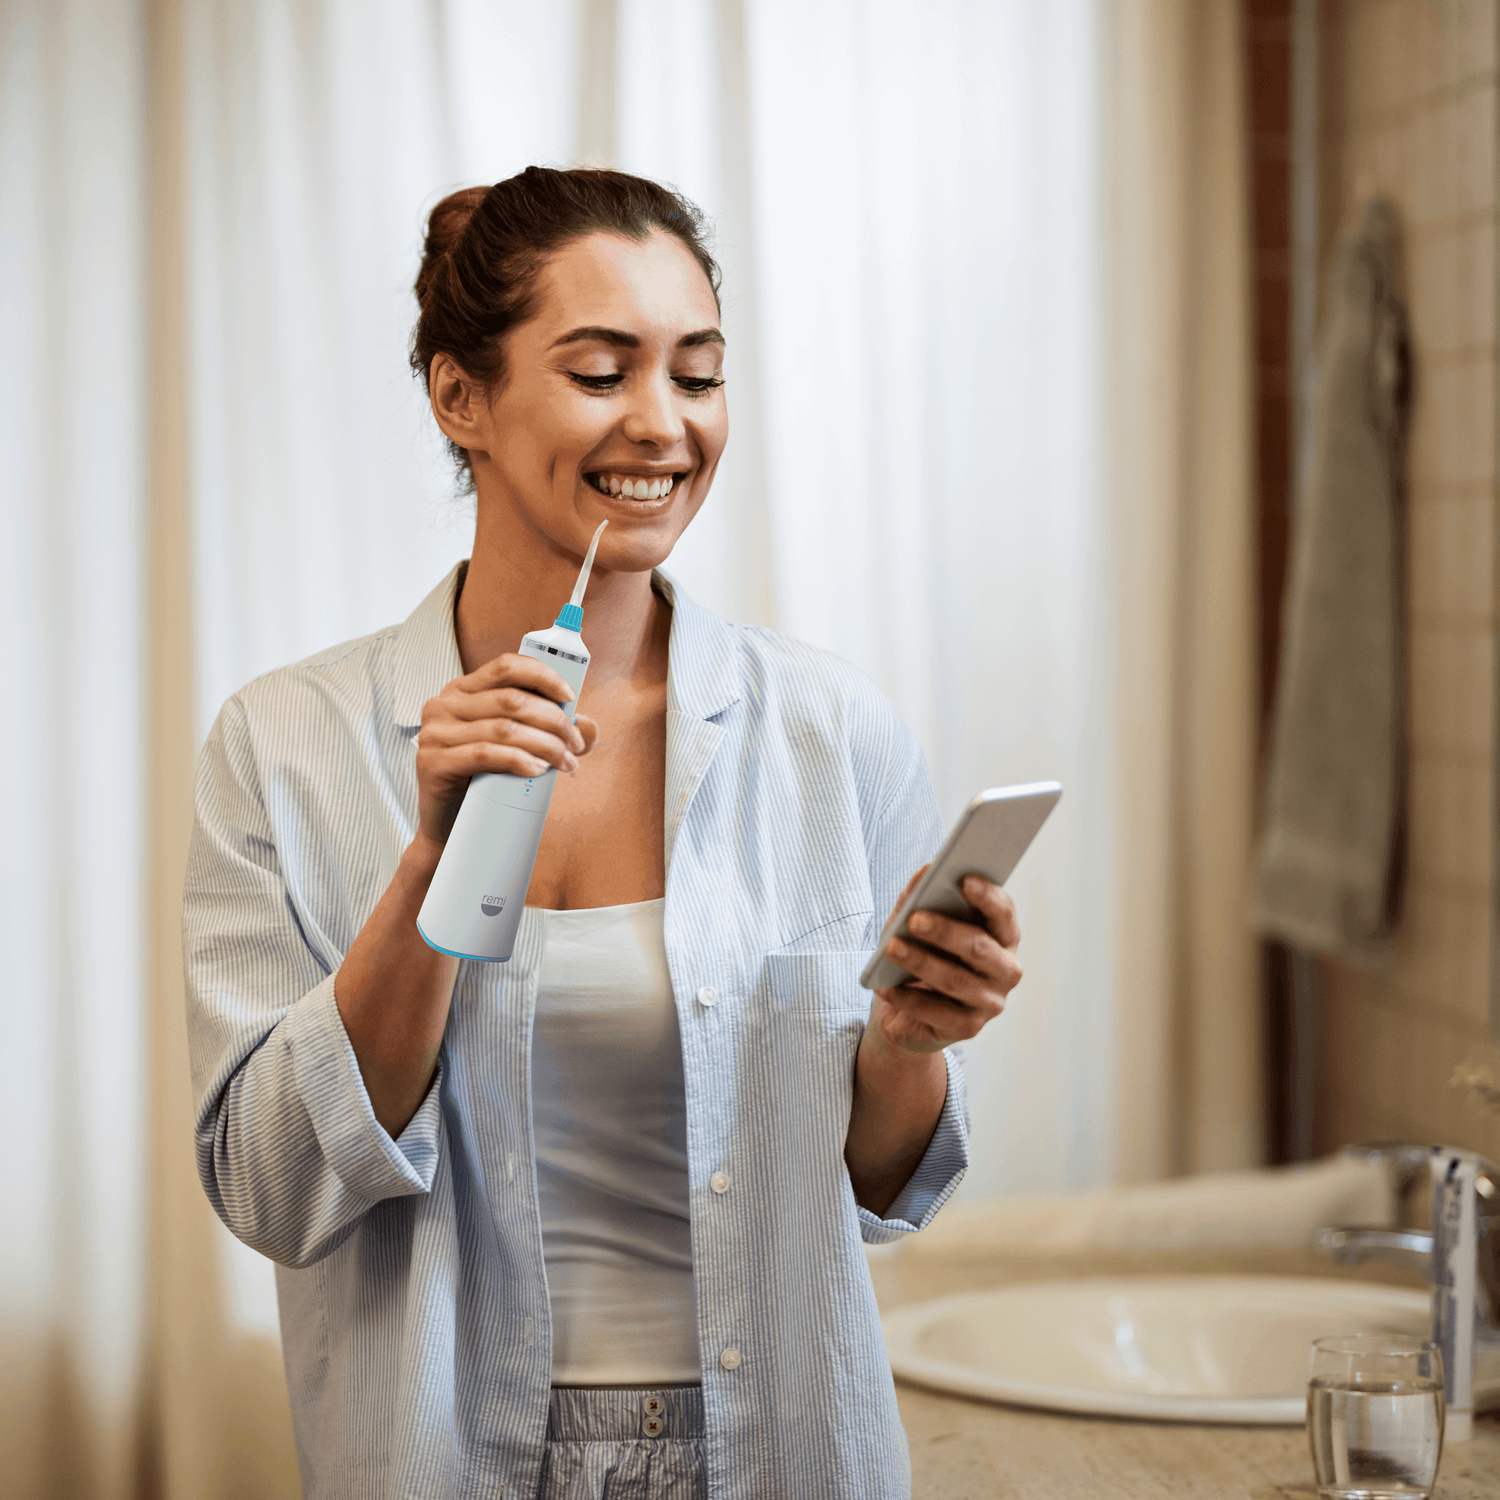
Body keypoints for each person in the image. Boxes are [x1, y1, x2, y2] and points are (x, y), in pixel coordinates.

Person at [183, 166, 1022, 1500]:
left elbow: (885, 1190)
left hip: (780, 1452)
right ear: (462, 398)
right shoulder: (284, 746)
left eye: (697, 374)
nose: (663, 424)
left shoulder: (831, 735)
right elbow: (271, 1189)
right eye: (601, 371)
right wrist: (432, 869)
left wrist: (907, 1044)